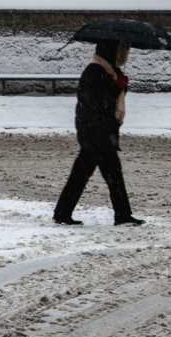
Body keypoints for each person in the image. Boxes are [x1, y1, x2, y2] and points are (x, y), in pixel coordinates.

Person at [53, 39, 144, 226]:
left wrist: (118, 85)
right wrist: (115, 87)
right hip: (95, 132)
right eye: (123, 49)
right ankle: (121, 215)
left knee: (91, 175)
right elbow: (95, 102)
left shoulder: (110, 73)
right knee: (106, 175)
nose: (126, 54)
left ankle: (63, 213)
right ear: (111, 50)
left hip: (100, 131)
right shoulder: (95, 72)